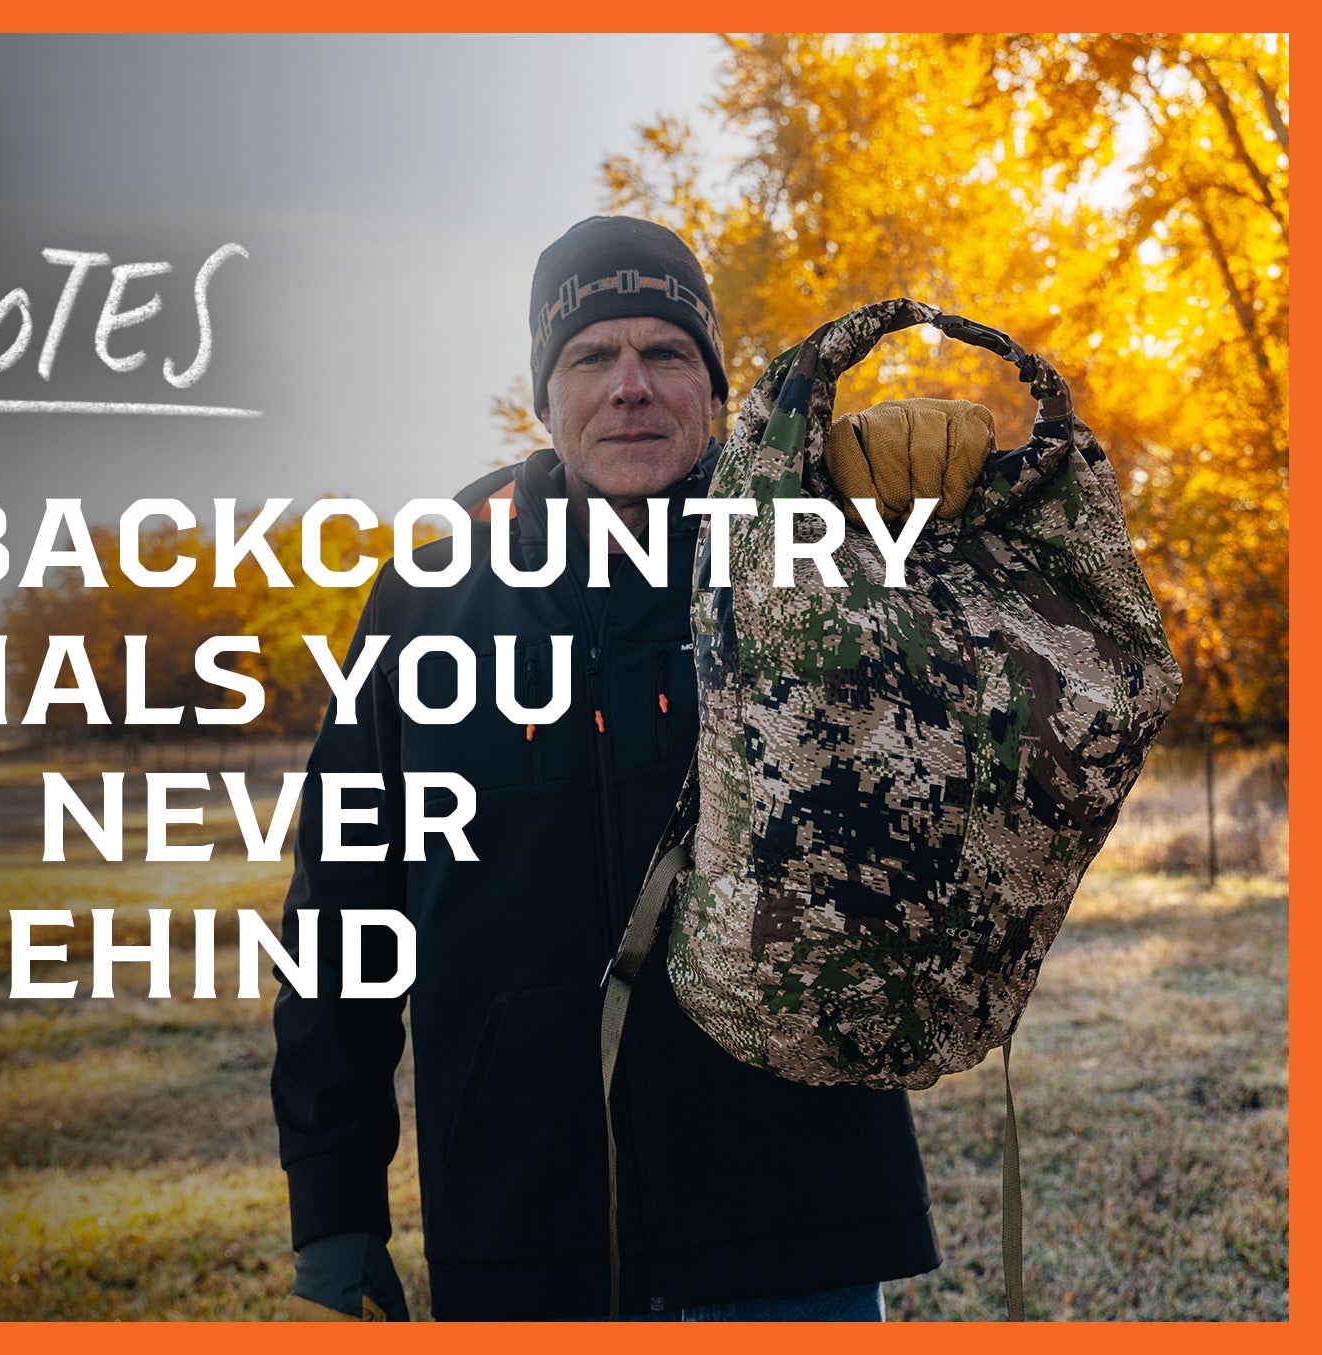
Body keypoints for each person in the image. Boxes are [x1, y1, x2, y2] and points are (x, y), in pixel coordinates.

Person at [272, 217, 974, 1322]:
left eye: (666, 353)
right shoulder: (426, 602)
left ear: (713, 387)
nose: (629, 385)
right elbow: (342, 916)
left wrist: (954, 523)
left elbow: (995, 757)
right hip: (523, 1231)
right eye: (591, 356)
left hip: (794, 1220)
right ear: (543, 397)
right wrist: (333, 1203)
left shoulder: (820, 558)